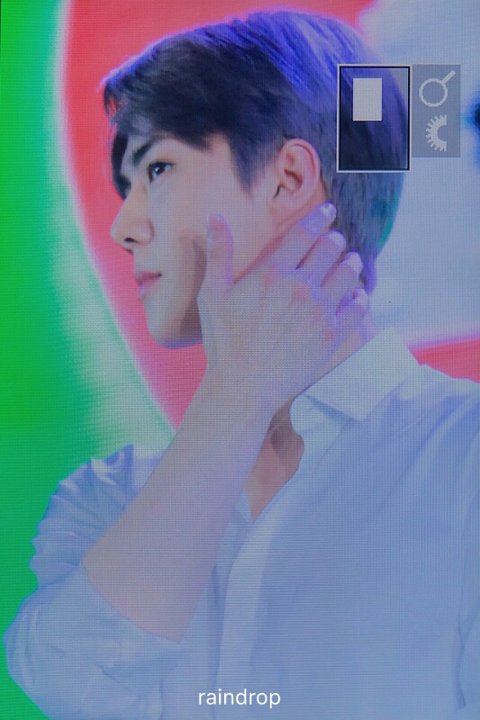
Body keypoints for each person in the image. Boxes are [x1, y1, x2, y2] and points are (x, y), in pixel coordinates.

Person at [4, 11, 479, 720]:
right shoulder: (107, 498)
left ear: (289, 179)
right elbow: (63, 681)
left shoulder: (463, 465)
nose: (124, 226)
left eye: (157, 170)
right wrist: (236, 398)